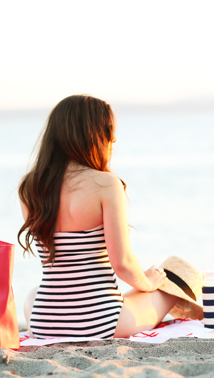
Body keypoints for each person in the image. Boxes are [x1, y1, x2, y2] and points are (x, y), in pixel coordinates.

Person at [18, 95, 179, 339]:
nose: (111, 142)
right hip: (100, 324)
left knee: (33, 294)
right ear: (95, 136)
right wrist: (148, 282)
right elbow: (122, 263)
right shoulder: (105, 183)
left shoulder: (30, 186)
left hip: (44, 321)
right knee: (171, 288)